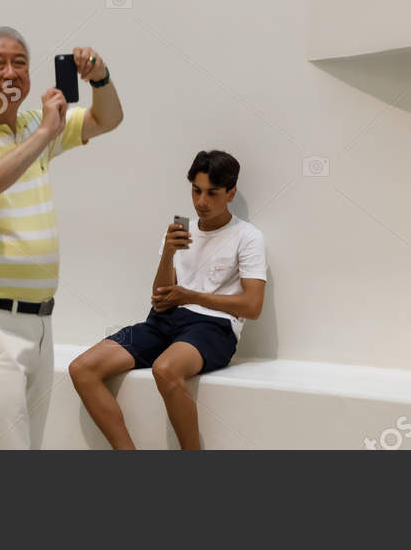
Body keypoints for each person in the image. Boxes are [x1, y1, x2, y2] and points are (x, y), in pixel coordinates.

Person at [0, 27, 124, 449]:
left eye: (20, 62)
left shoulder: (32, 126)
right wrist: (43, 138)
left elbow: (106, 119)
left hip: (39, 322)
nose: (11, 72)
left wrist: (100, 79)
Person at [69, 150, 266, 450]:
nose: (201, 201)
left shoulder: (247, 236)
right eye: (196, 191)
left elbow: (252, 306)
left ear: (231, 193)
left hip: (214, 328)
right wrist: (169, 253)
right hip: (164, 321)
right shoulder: (178, 233)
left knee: (165, 369)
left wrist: (193, 296)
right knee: (82, 368)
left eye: (212, 193)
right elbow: (160, 299)